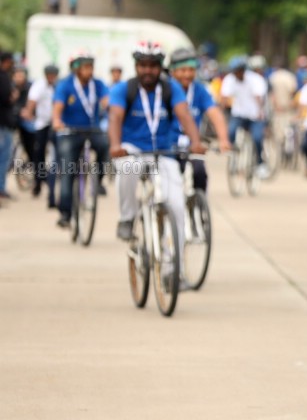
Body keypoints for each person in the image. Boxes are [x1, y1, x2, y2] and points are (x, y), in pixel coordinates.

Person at [108, 41, 204, 275]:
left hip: (164, 152)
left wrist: (196, 141)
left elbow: (184, 114)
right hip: (133, 149)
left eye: (153, 65)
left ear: (161, 67)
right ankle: (127, 217)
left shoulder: (171, 88)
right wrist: (115, 145)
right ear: (136, 66)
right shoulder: (125, 89)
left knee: (177, 206)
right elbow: (115, 118)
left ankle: (175, 267)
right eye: (143, 65)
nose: (148, 70)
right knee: (127, 169)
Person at [51, 49, 110, 226]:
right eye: (85, 67)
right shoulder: (65, 85)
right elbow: (57, 108)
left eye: (91, 67)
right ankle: (65, 213)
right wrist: (56, 121)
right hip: (70, 131)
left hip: (93, 130)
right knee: (68, 168)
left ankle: (97, 180)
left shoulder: (98, 84)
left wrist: (112, 113)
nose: (89, 71)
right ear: (76, 68)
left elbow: (108, 102)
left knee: (106, 144)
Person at [168, 47, 231, 195]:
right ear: (173, 71)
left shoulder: (199, 90)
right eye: (183, 70)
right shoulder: (165, 89)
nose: (188, 74)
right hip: (167, 147)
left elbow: (214, 113)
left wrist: (223, 139)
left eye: (191, 70)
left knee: (199, 172)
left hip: (192, 145)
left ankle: (198, 209)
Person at [219, 55, 270, 178]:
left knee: (257, 138)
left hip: (255, 115)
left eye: (239, 71)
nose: (237, 74)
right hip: (239, 114)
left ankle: (260, 163)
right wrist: (220, 112)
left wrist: (260, 111)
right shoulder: (229, 79)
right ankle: (233, 157)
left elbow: (259, 97)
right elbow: (224, 98)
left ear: (244, 70)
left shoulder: (255, 79)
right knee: (230, 132)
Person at [22, 65, 60, 205]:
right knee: (39, 154)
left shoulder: (57, 86)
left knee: (58, 154)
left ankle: (52, 182)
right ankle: (38, 181)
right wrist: (29, 113)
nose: (51, 77)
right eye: (49, 75)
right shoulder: (39, 86)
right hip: (42, 124)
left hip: (55, 124)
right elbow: (32, 101)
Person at [0, 52, 17, 201]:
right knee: (3, 158)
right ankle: (1, 189)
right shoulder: (3, 76)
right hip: (3, 124)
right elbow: (6, 96)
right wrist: (12, 96)